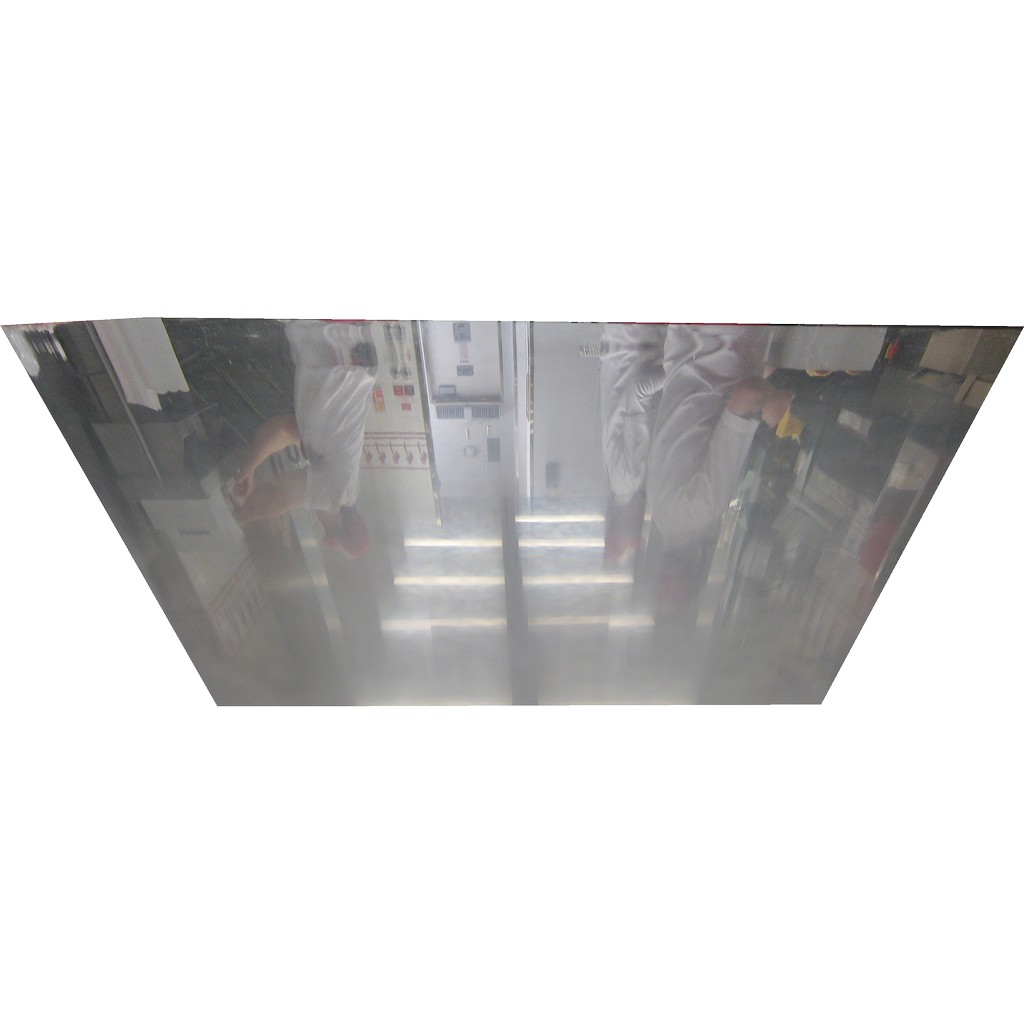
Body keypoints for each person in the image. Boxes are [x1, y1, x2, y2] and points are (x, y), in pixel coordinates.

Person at [230, 320, 377, 558]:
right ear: (338, 525)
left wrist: (250, 467)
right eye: (326, 529)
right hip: (331, 341)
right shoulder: (335, 495)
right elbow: (279, 496)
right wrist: (242, 518)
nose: (318, 520)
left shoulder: (339, 472)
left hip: (348, 348)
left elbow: (284, 431)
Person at [599, 323, 666, 563]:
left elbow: (640, 390)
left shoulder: (629, 478)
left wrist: (681, 371)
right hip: (623, 338)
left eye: (636, 532)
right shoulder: (617, 481)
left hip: (638, 337)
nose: (642, 524)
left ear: (623, 523)